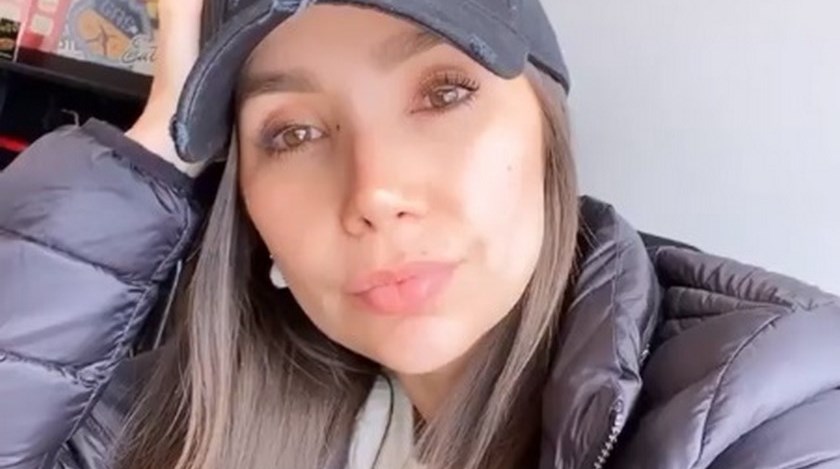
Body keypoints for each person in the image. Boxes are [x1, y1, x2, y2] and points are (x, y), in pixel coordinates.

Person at [0, 0, 838, 468]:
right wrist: (157, 145)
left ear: (547, 135)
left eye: (443, 94)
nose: (375, 192)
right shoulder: (188, 417)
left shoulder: (761, 405)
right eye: (292, 132)